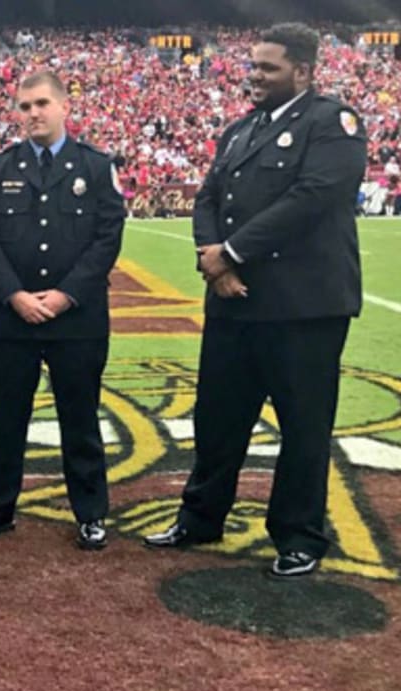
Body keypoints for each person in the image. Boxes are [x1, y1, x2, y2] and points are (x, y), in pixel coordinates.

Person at [144, 24, 367, 579]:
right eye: (252, 67)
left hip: (302, 307)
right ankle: (200, 518)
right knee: (218, 420)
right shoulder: (240, 130)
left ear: (303, 72)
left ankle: (298, 536)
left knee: (303, 426)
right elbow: (208, 197)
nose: (254, 77)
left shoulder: (332, 123)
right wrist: (210, 258)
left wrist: (233, 253)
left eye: (267, 68)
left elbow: (313, 196)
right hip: (234, 302)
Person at [0, 71, 125, 550]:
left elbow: (107, 238)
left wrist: (65, 294)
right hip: (9, 318)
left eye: (41, 104)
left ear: (63, 106)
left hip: (77, 319)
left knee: (80, 419)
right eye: (24, 106)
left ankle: (91, 514)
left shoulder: (95, 166)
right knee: (6, 417)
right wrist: (14, 294)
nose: (32, 113)